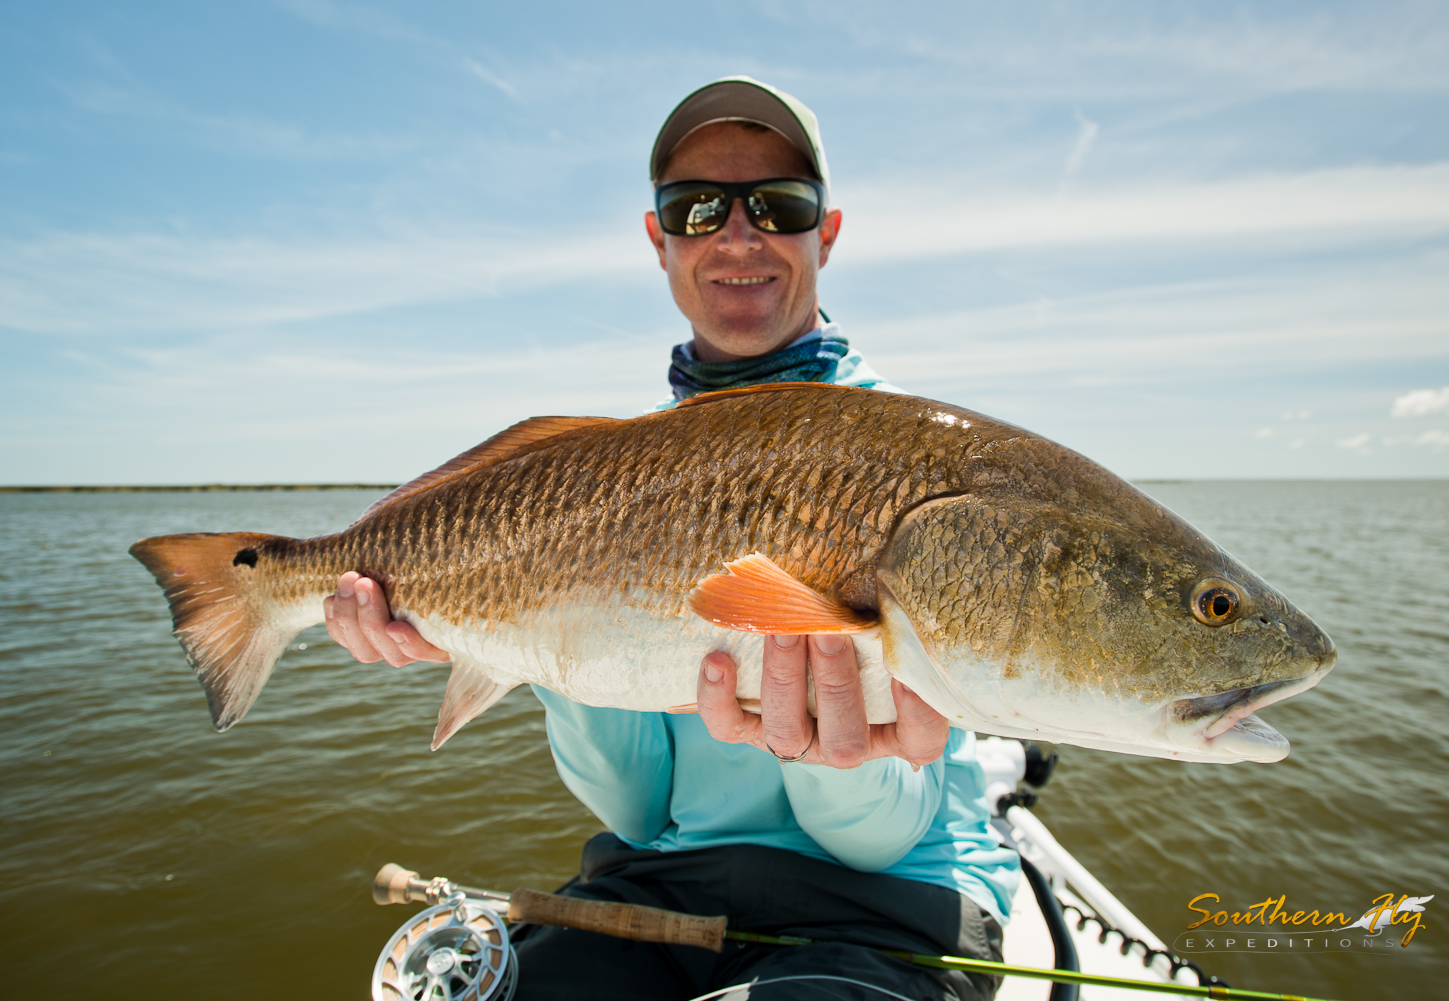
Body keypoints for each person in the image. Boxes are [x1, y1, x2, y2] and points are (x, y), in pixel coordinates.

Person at [325, 77, 1019, 1000]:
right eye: (697, 209)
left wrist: (822, 758)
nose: (738, 235)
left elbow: (881, 838)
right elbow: (638, 810)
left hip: (890, 901)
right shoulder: (598, 479)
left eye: (777, 204)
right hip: (659, 887)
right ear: (659, 239)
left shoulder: (920, 464)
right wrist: (533, 637)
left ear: (829, 231)